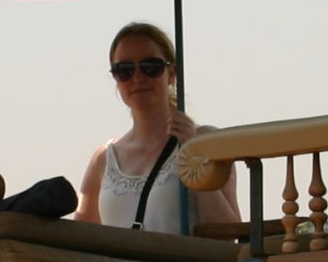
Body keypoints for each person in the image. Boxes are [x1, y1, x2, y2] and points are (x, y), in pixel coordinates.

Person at [73, 21, 239, 232]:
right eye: (124, 70)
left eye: (150, 67)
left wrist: (194, 155)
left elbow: (228, 232)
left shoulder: (206, 141)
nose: (138, 78)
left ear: (172, 73)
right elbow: (80, 236)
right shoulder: (105, 158)